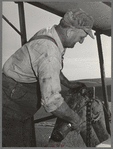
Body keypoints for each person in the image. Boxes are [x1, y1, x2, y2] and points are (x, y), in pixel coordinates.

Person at [2, 8, 94, 147]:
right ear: (69, 32)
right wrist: (76, 119)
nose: (81, 42)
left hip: (17, 102)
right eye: (81, 37)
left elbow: (50, 68)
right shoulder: (49, 53)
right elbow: (52, 102)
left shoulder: (49, 33)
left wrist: (68, 84)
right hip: (9, 108)